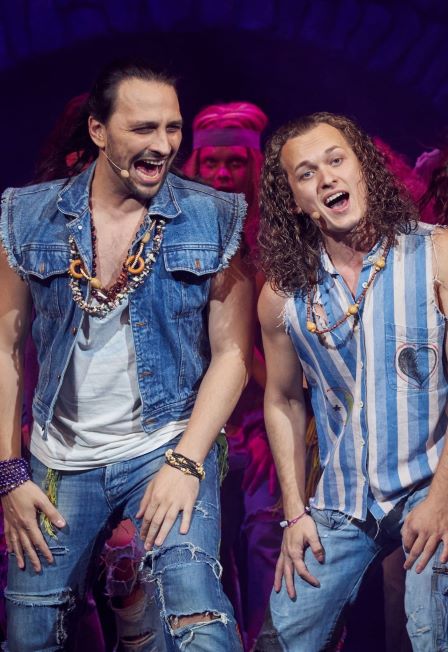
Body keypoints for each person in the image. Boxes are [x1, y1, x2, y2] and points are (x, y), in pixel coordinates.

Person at [0, 59, 253, 651]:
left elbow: (233, 354)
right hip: (60, 460)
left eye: (172, 127)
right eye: (143, 128)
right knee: (31, 633)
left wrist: (186, 462)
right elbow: (5, 346)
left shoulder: (212, 216)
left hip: (166, 445)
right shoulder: (27, 216)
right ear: (98, 130)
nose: (162, 145)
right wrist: (9, 473)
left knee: (196, 617)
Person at [256, 111, 448, 651]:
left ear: (363, 167)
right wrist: (295, 513)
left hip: (432, 481)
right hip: (342, 497)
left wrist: (442, 499)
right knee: (280, 640)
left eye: (337, 160)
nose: (327, 178)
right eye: (307, 173)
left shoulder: (435, 254)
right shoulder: (284, 295)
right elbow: (283, 400)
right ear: (295, 200)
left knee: (428, 632)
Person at [184, 102, 282, 649]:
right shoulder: (180, 229)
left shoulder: (277, 240)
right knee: (201, 546)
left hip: (264, 418)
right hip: (194, 419)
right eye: (211, 163)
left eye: (235, 163)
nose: (222, 174)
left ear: (254, 166)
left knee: (267, 533)